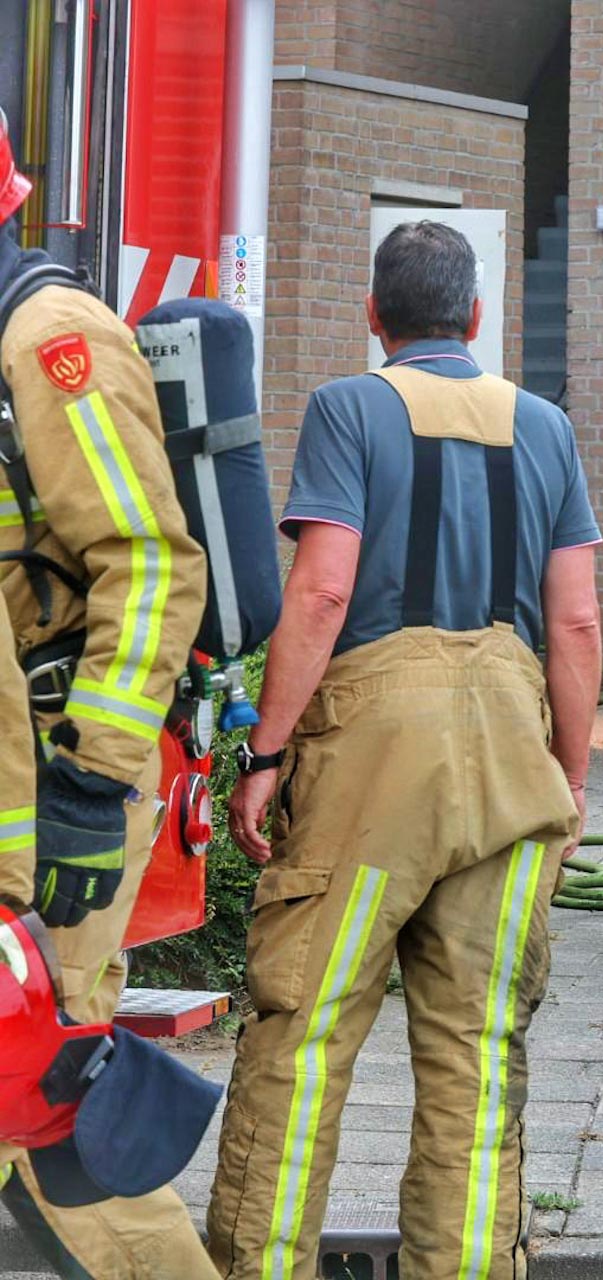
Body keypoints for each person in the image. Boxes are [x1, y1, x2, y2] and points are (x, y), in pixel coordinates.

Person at [205, 220, 602, 1279]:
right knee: (478, 1054)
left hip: (371, 774)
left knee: (304, 1036)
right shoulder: (545, 427)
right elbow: (575, 623)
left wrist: (265, 754)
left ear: (374, 316)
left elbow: (321, 592)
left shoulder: (348, 408)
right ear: (475, 316)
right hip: (513, 762)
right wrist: (569, 778)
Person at [0, 108, 216, 1279]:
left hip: (58, 787)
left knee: (44, 1094)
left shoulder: (51, 339)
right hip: (24, 777)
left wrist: (90, 781)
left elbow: (150, 562)